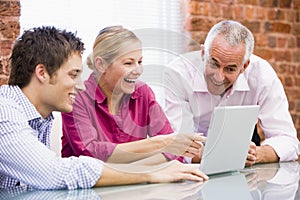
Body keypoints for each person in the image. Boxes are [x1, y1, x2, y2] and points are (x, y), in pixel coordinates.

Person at [0, 26, 209, 190]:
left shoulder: (39, 119)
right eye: (73, 75)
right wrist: (150, 171)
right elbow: (56, 172)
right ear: (42, 73)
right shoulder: (5, 113)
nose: (80, 85)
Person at [163, 20, 299, 166]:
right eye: (214, 64)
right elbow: (177, 144)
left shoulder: (262, 74)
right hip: (196, 158)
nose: (218, 77)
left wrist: (257, 154)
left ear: (244, 66)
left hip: (247, 152)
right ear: (203, 54)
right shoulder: (177, 74)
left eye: (230, 69)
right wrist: (219, 154)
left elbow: (287, 140)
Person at [61, 26, 203, 164]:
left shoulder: (142, 93)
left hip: (138, 184)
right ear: (101, 64)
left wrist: (139, 168)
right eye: (128, 63)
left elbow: (173, 150)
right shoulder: (77, 96)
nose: (138, 70)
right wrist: (158, 145)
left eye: (140, 62)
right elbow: (90, 153)